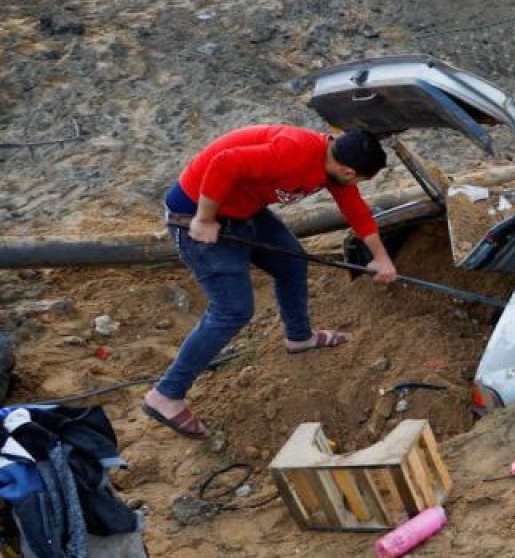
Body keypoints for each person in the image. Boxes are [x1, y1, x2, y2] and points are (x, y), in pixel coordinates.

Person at [142, 125, 399, 439]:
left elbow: (355, 210)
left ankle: (299, 337)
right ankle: (166, 395)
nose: (356, 184)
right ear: (348, 170)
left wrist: (380, 258)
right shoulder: (295, 152)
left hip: (243, 207)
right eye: (359, 179)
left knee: (291, 263)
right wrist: (206, 219)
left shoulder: (335, 164)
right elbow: (223, 163)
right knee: (232, 310)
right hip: (197, 210)